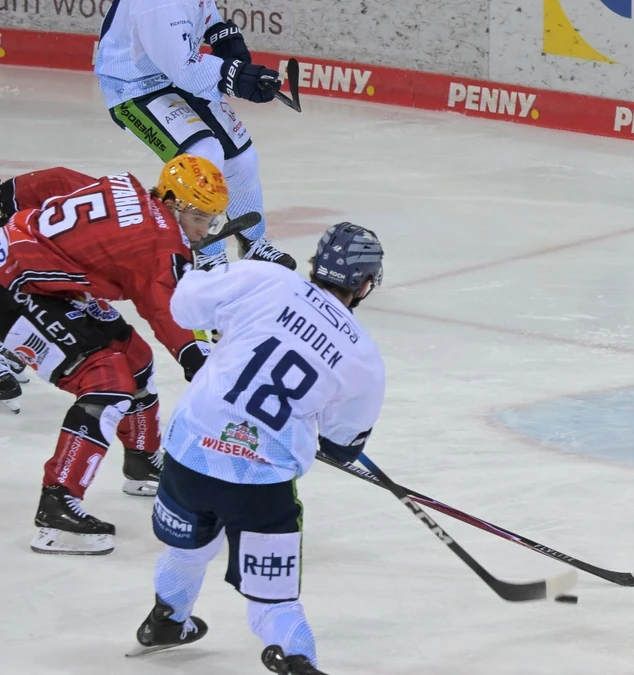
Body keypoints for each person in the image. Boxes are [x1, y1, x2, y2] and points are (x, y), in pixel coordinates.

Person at [132, 223, 386, 674]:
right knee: (274, 603)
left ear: (314, 263)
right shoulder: (363, 356)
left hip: (190, 453)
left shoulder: (268, 278)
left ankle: (166, 619)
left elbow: (186, 305)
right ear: (365, 284)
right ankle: (296, 659)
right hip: (259, 483)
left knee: (187, 549)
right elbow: (342, 444)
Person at [0, 156, 223, 555]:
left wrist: (8, 196)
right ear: (171, 202)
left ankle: (141, 460)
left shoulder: (127, 187)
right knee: (106, 383)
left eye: (211, 219)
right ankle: (57, 505)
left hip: (40, 277)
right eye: (199, 216)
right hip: (12, 285)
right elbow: (165, 308)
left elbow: (59, 180)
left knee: (133, 356)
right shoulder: (162, 242)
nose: (205, 229)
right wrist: (198, 360)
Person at [94, 0, 296, 270]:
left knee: (242, 158)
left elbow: (205, 15)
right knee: (203, 156)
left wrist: (225, 40)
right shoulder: (157, 5)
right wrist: (237, 77)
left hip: (173, 75)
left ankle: (253, 243)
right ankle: (208, 254)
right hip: (133, 88)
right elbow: (185, 69)